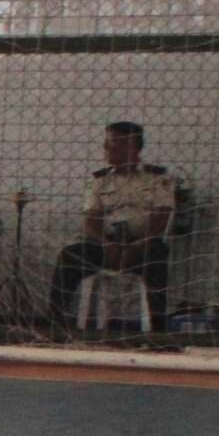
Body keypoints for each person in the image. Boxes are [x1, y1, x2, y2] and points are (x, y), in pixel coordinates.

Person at [52, 120, 175, 331]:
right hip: (106, 245)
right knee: (69, 256)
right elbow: (90, 219)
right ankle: (57, 324)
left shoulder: (157, 177)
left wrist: (137, 245)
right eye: (106, 143)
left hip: (143, 245)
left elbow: (162, 216)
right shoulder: (98, 180)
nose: (106, 149)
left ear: (132, 146)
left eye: (113, 143)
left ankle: (157, 329)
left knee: (156, 256)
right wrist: (106, 244)